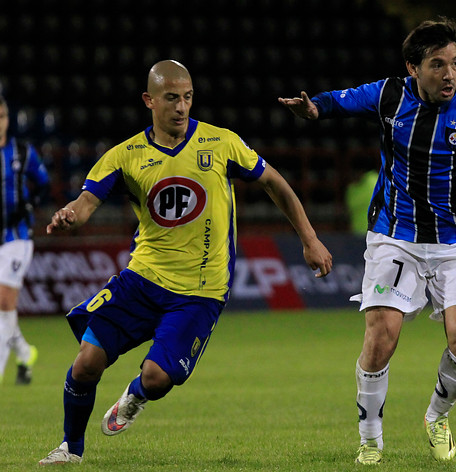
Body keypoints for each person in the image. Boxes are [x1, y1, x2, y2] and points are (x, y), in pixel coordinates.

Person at [39, 60, 333, 466]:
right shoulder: (125, 156)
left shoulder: (221, 143)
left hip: (200, 290)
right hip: (142, 279)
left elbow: (273, 182)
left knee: (157, 378)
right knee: (87, 361)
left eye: (188, 98)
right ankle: (70, 448)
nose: (182, 107)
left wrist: (310, 238)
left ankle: (136, 395)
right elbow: (87, 202)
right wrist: (69, 215)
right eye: (172, 98)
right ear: (149, 100)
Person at [279, 17, 456, 465]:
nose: (450, 74)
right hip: (396, 237)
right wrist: (313, 109)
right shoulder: (390, 95)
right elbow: (340, 102)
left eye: (455, 63)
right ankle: (371, 440)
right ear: (413, 68)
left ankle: (437, 416)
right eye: (438, 65)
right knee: (382, 336)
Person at [0, 95, 49, 385]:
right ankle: (25, 351)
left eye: (3, 116)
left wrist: (31, 206)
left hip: (17, 237)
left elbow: (43, 182)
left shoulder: (21, 151)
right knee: (3, 307)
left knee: (5, 302)